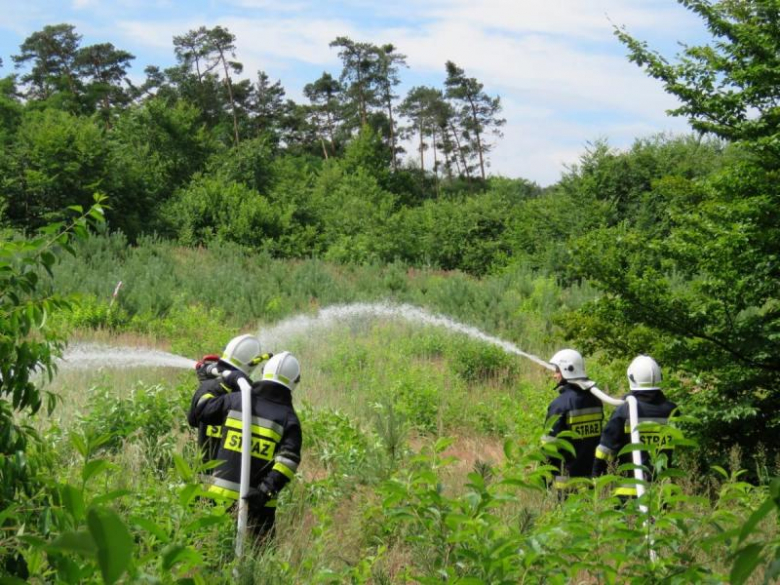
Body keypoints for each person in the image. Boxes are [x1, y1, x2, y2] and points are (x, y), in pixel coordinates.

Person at [190, 351, 302, 541]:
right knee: (255, 556)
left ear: (264, 372)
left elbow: (201, 409)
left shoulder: (237, 400)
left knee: (210, 549)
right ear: (295, 382)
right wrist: (265, 490)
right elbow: (288, 461)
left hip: (218, 499)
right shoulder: (288, 418)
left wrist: (220, 383)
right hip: (258, 506)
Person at [592, 355, 678, 497]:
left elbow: (605, 450)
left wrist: (596, 478)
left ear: (632, 378)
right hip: (661, 492)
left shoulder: (625, 410)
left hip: (628, 494)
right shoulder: (672, 410)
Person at [187, 334, 270, 471]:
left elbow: (193, 420)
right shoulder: (250, 396)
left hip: (204, 474)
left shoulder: (208, 389)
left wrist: (206, 384)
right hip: (236, 478)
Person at [541, 349, 604, 492]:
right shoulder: (596, 401)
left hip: (565, 484)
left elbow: (548, 447)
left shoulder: (559, 405)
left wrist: (543, 480)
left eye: (557, 371)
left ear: (567, 370)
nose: (554, 375)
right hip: (590, 481)